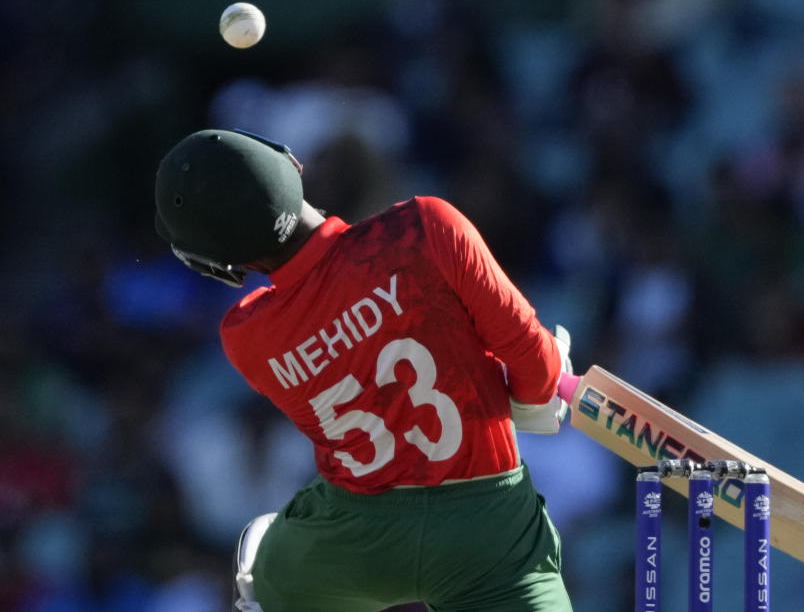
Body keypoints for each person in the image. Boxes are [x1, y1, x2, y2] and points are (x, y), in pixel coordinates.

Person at [154, 129, 574, 612]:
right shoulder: (425, 225)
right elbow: (537, 372)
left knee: (272, 577)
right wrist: (532, 391)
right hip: (489, 525)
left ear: (215, 264)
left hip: (360, 536)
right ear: (291, 164)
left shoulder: (246, 336)